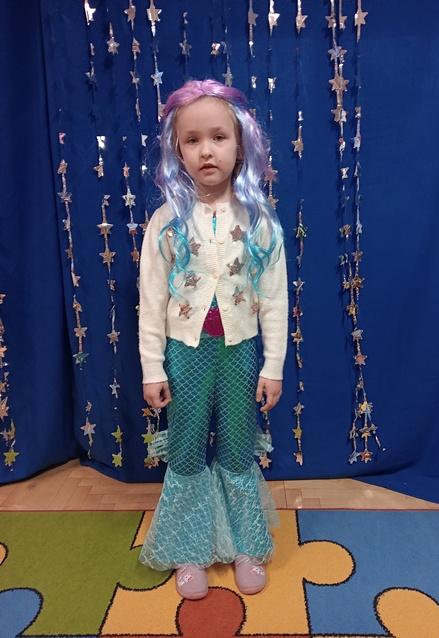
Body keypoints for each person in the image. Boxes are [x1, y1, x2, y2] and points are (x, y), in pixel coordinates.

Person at [138, 78, 288, 600]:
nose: (206, 150)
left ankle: (245, 544)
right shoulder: (166, 223)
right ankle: (188, 548)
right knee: (185, 449)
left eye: (218, 137)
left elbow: (274, 298)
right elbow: (151, 301)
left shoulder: (259, 220)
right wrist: (153, 368)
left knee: (238, 446)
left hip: (240, 355)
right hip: (185, 356)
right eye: (193, 140)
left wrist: (272, 367)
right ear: (177, 151)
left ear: (240, 144)